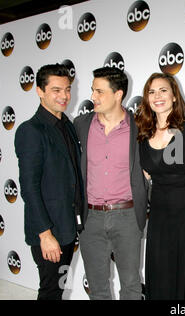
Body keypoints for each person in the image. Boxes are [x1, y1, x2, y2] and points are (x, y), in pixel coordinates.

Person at [134, 72, 185, 300]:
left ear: (174, 96)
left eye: (163, 90)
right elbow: (145, 174)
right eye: (151, 92)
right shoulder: (143, 133)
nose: (157, 96)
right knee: (162, 272)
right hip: (159, 215)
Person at [73, 67, 148, 300]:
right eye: (92, 91)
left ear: (118, 94)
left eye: (99, 91)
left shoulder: (140, 127)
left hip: (127, 217)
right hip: (91, 218)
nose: (93, 97)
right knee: (97, 288)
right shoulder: (81, 125)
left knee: (131, 285)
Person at [14, 63, 83, 300]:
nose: (64, 96)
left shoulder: (68, 126)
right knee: (51, 292)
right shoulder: (31, 130)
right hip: (49, 232)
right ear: (40, 91)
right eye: (56, 90)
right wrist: (45, 235)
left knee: (58, 288)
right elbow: (29, 188)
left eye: (67, 89)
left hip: (67, 227)